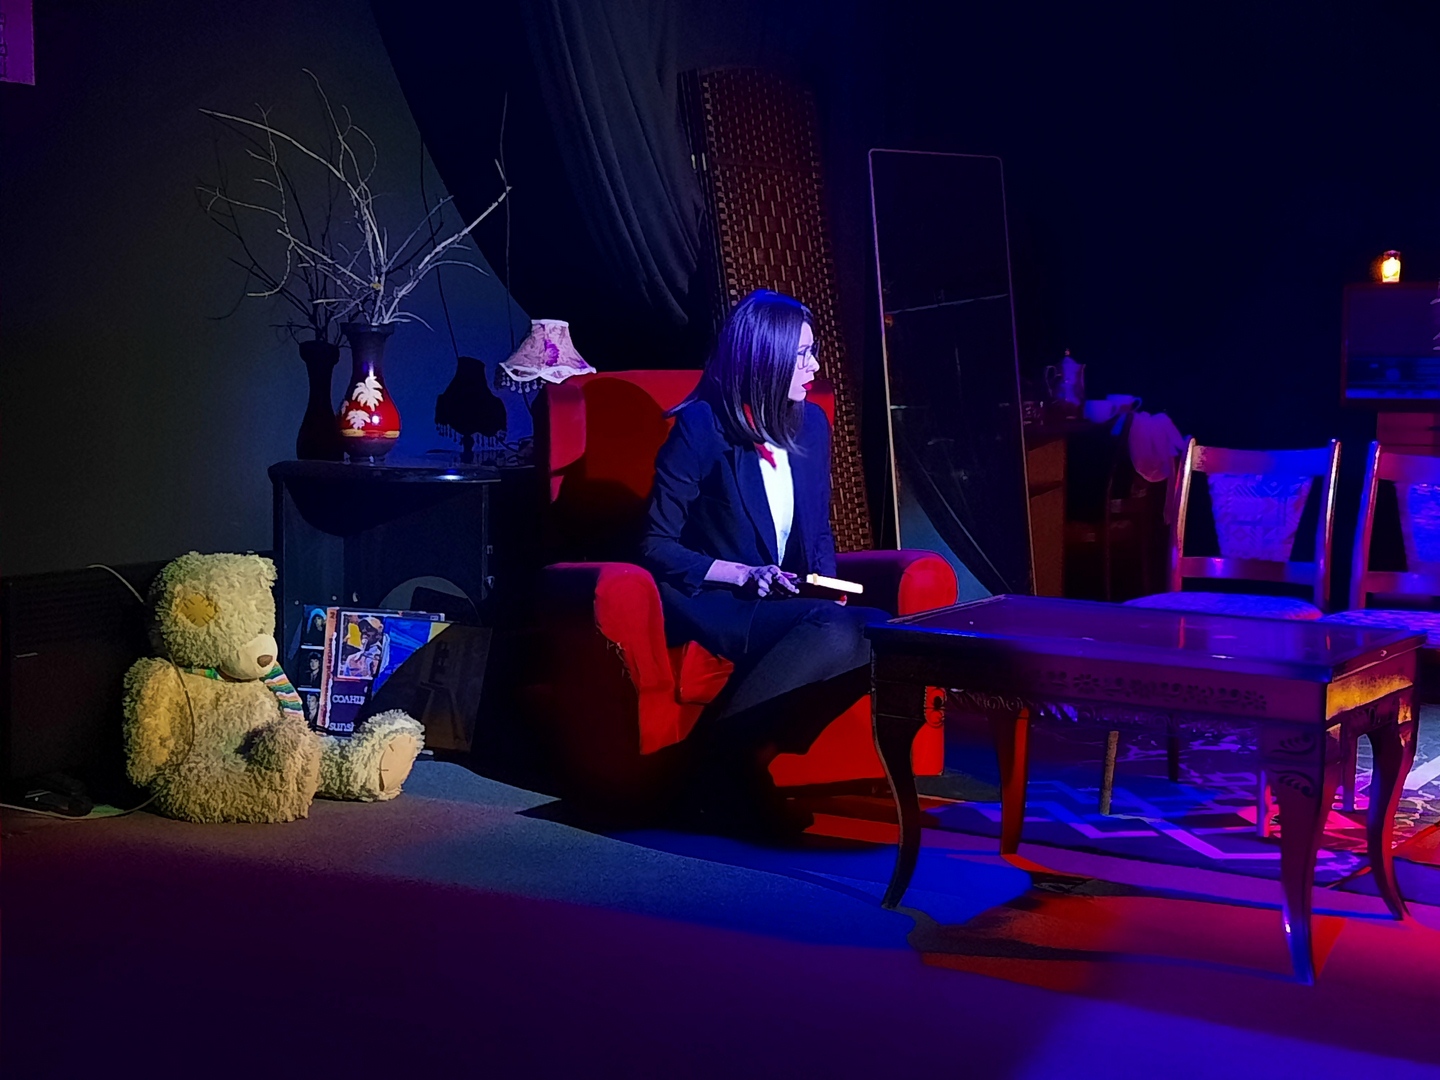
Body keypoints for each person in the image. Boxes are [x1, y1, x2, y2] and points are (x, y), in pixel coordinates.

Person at [640, 289, 888, 834]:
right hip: (715, 597)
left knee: (878, 632)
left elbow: (816, 529)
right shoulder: (701, 426)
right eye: (802, 355)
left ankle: (740, 760)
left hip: (779, 597)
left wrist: (828, 590)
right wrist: (743, 574)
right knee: (832, 629)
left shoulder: (812, 424)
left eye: (812, 351)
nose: (815, 365)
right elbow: (655, 544)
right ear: (764, 360)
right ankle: (720, 764)